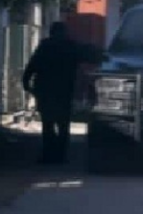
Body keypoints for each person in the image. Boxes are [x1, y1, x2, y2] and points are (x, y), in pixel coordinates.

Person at [22, 22, 103, 164]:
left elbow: (32, 66)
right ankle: (60, 156)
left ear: (51, 32)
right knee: (62, 124)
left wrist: (27, 84)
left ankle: (48, 155)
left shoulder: (45, 46)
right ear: (64, 32)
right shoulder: (70, 46)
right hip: (63, 91)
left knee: (48, 124)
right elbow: (91, 56)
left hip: (45, 90)